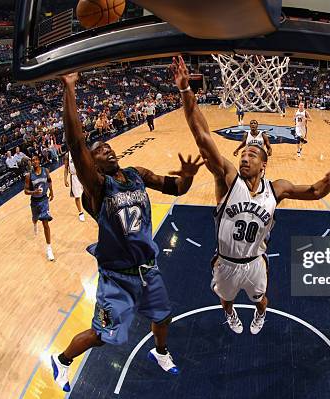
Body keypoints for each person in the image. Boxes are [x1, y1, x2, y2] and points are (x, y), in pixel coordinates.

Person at [51, 72, 204, 392]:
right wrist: (69, 88)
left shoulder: (136, 174)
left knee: (163, 316)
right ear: (90, 164)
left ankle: (160, 352)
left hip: (147, 266)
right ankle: (62, 360)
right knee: (103, 337)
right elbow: (75, 142)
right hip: (117, 276)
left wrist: (187, 177)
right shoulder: (96, 187)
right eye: (98, 151)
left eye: (107, 147)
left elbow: (175, 187)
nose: (105, 149)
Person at [171, 55, 330, 335]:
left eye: (252, 154)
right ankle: (231, 315)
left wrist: (328, 179)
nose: (245, 158)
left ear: (263, 164)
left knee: (261, 300)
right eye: (244, 154)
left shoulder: (277, 189)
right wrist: (184, 90)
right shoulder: (228, 180)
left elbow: (313, 192)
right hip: (225, 261)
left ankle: (258, 316)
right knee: (225, 300)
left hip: (254, 263)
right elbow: (203, 136)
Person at [24, 155, 55, 261]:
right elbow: (25, 191)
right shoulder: (29, 176)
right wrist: (34, 192)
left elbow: (49, 181)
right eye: (33, 160)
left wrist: (51, 191)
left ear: (39, 160)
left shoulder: (45, 171)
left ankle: (49, 248)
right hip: (34, 201)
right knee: (35, 218)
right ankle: (34, 223)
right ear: (31, 163)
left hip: (44, 200)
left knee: (46, 223)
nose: (35, 161)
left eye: (37, 159)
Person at [63, 151, 86, 222]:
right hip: (74, 177)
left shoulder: (79, 152)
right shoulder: (67, 155)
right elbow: (66, 168)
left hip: (82, 175)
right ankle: (80, 213)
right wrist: (65, 179)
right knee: (77, 196)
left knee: (88, 193)